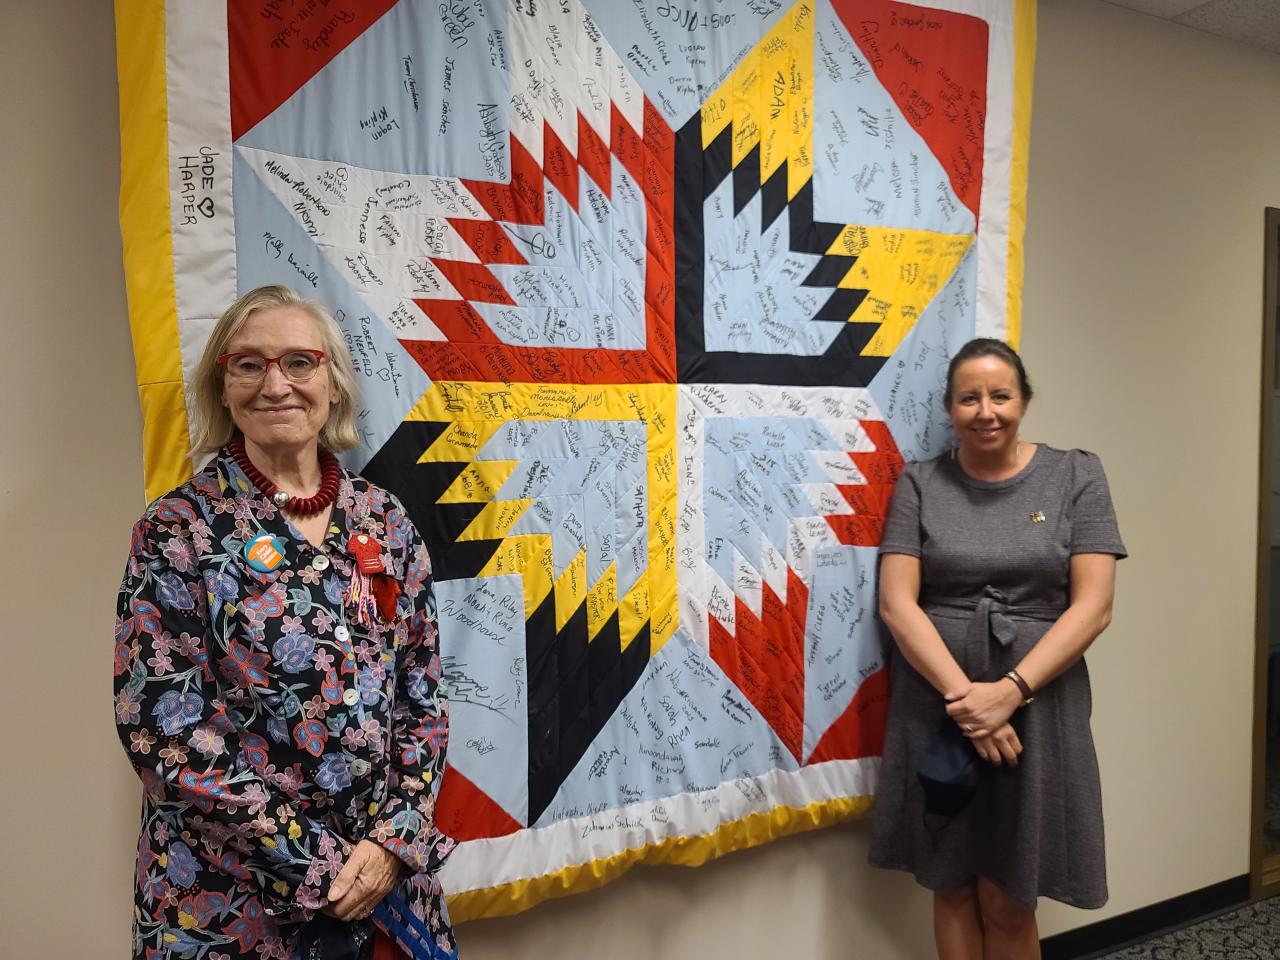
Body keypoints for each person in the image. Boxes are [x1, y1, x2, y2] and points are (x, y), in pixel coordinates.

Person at [114, 285, 455, 960]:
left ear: (332, 382)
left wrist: (393, 843)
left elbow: (424, 697)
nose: (277, 384)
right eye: (250, 364)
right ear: (225, 384)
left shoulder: (384, 520)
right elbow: (162, 729)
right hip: (229, 905)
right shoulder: (176, 531)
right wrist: (320, 865)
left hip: (386, 891)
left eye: (300, 362)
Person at [868, 338, 1126, 959]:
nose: (986, 410)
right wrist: (968, 703)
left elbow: (1094, 606)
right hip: (936, 704)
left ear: (1024, 402)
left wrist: (1009, 693)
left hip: (1040, 706)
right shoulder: (921, 482)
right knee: (950, 883)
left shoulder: (1076, 474)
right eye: (969, 398)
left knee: (1010, 896)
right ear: (950, 409)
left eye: (1000, 395)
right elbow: (897, 603)